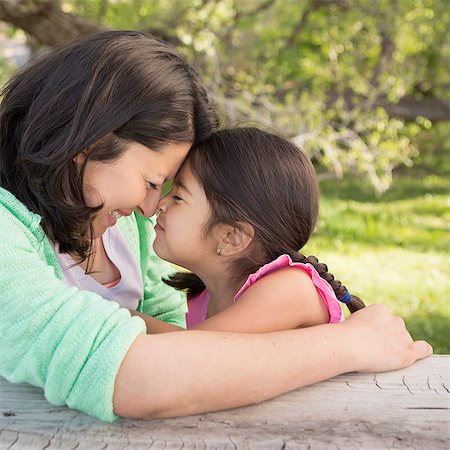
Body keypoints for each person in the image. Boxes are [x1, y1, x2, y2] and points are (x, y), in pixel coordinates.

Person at [0, 30, 432, 422]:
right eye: (151, 182)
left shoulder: (121, 228)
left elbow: (178, 346)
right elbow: (140, 376)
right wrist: (352, 344)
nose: (150, 208)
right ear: (89, 143)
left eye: (167, 188)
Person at [149, 127, 364, 333]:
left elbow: (192, 352)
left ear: (231, 237)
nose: (160, 204)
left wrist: (119, 320)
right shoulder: (204, 298)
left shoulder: (290, 289)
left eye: (178, 197)